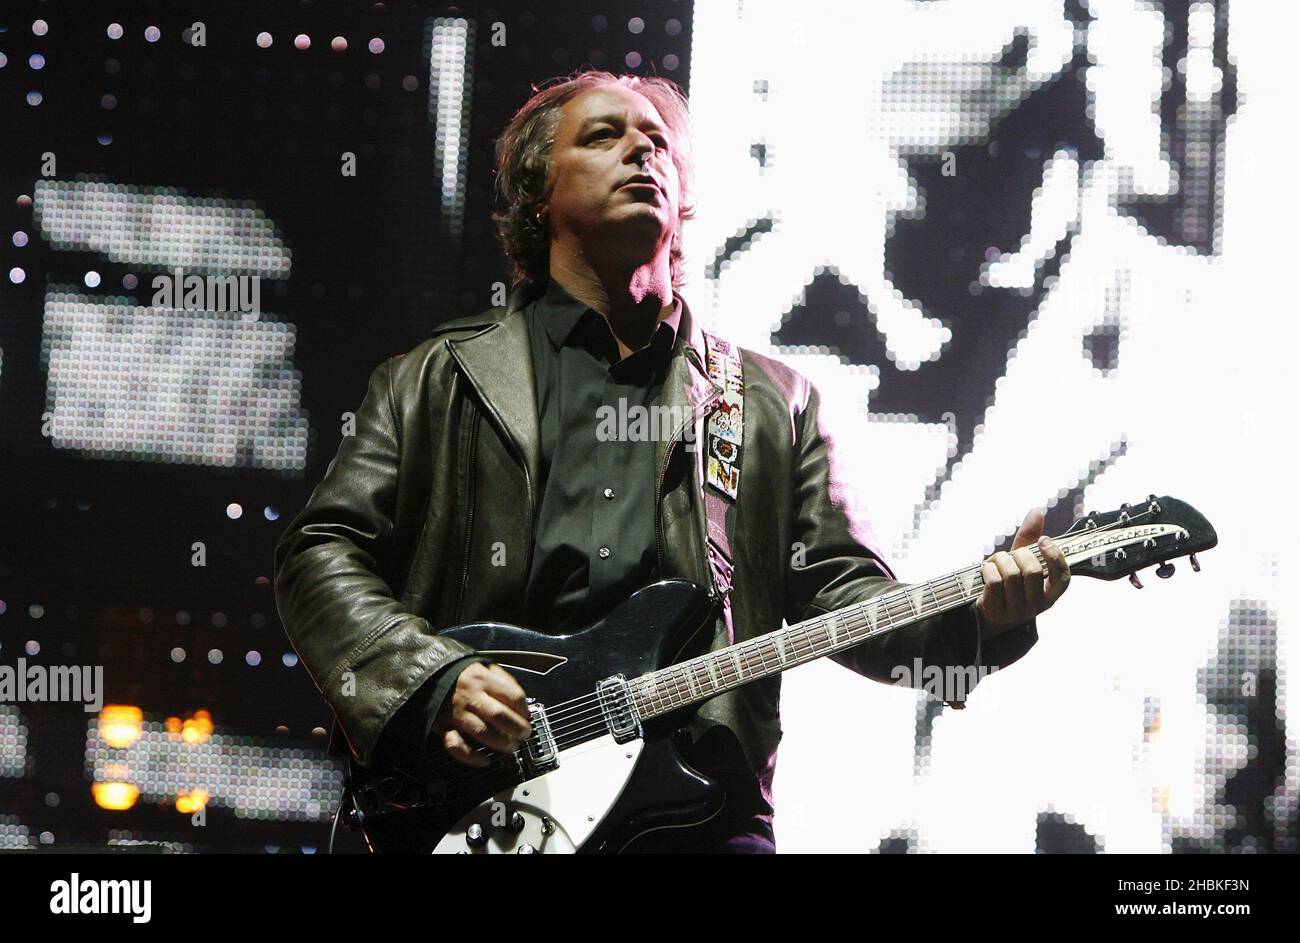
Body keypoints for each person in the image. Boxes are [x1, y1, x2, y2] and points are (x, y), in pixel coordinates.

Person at [273, 69, 1070, 854]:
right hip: (476, 806)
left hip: (700, 816)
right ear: (538, 193)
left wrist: (981, 619)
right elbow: (320, 553)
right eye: (604, 136)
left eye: (657, 142)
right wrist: (434, 683)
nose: (641, 151)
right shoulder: (434, 377)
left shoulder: (771, 401)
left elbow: (848, 601)